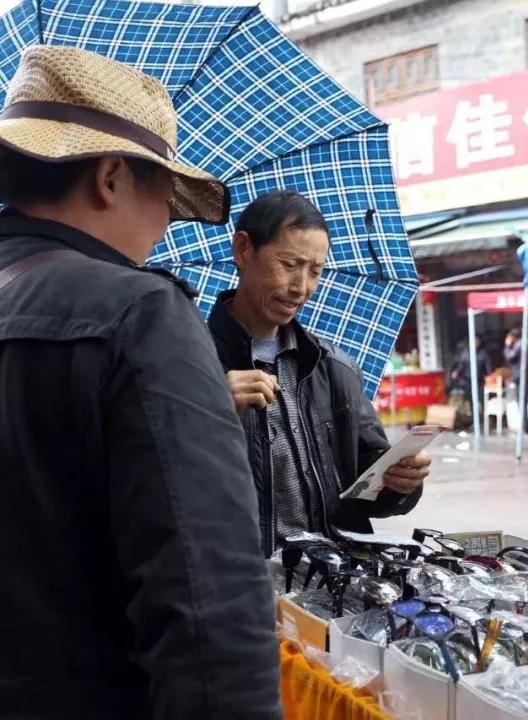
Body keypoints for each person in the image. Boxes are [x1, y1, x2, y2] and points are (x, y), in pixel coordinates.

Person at [0, 47, 280, 718]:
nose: (163, 227)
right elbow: (207, 597)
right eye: (164, 195)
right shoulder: (138, 312)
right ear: (111, 176)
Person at [208, 190, 430, 556]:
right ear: (243, 249)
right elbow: (155, 487)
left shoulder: (334, 368)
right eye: (289, 264)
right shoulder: (188, 364)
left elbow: (365, 489)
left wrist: (400, 482)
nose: (302, 287)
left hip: (332, 582)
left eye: (315, 271)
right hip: (241, 584)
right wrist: (208, 408)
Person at [505, 326, 528, 433]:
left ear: (513, 337)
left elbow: (510, 358)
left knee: (521, 402)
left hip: (520, 377)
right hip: (523, 376)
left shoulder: (518, 345)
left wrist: (507, 347)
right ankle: (525, 427)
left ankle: (525, 427)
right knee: (522, 402)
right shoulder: (524, 344)